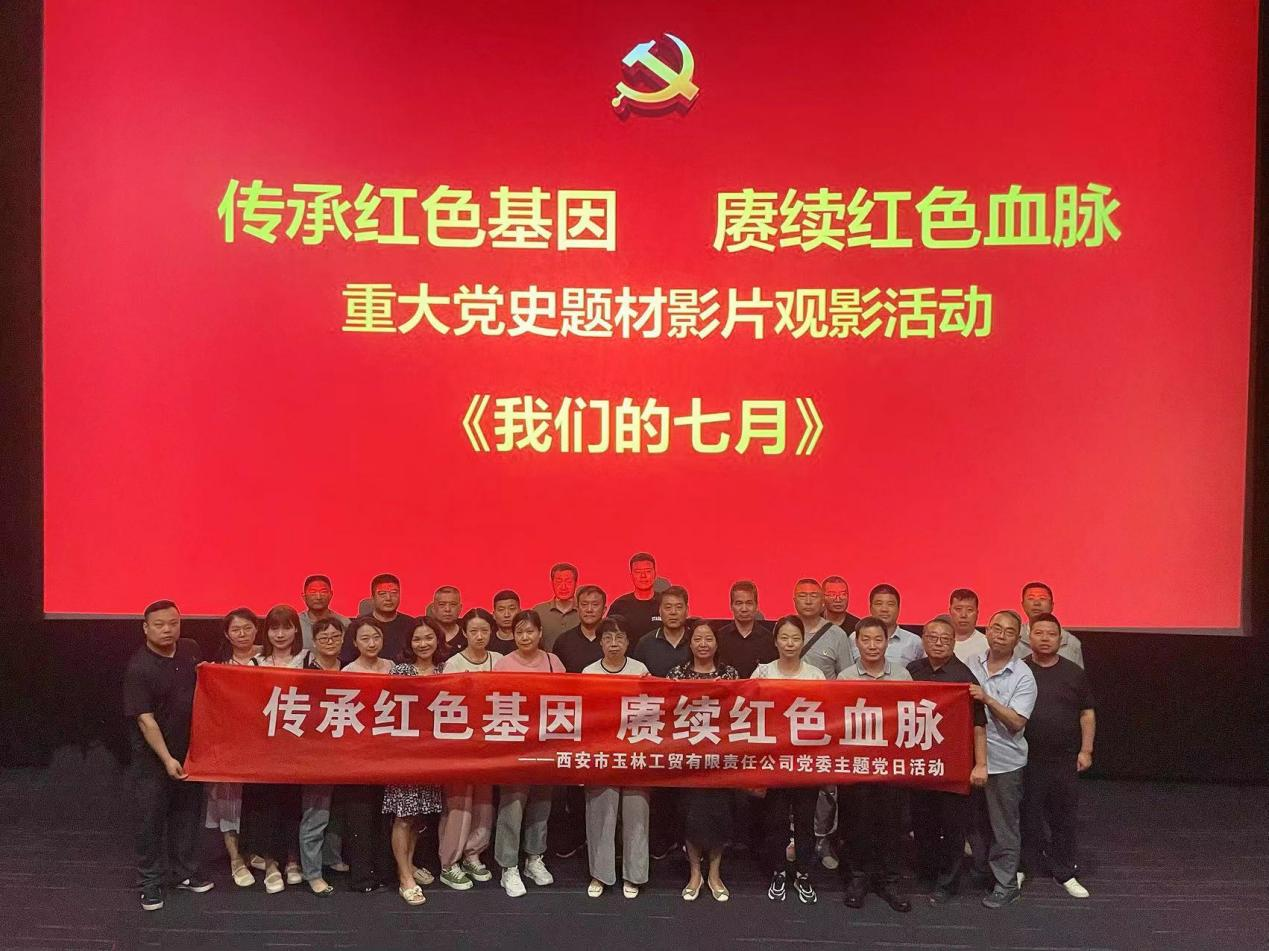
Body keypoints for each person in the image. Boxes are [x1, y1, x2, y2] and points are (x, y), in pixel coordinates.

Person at [124, 599, 213, 911]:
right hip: (154, 758)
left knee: (187, 814)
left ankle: (184, 873)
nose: (167, 630)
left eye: (173, 623)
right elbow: (145, 721)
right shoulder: (140, 668)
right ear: (146, 628)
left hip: (189, 751)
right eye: (159, 625)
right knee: (151, 820)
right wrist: (166, 759)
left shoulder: (190, 649)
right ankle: (149, 883)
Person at [907, 614, 990, 904]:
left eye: (945, 638)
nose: (938, 643)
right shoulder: (912, 671)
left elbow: (979, 725)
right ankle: (927, 871)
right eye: (932, 637)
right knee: (922, 822)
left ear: (954, 642)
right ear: (923, 640)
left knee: (953, 827)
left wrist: (980, 764)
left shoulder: (964, 677)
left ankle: (948, 882)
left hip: (954, 764)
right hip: (919, 762)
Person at [837, 617, 913, 912]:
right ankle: (857, 878)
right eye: (865, 640)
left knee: (891, 824)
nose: (872, 645)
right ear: (856, 643)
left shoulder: (902, 675)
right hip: (856, 765)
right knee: (856, 823)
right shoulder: (845, 678)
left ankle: (889, 881)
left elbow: (912, 718)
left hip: (891, 765)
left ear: (886, 642)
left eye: (878, 639)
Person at [1021, 613, 1096, 899]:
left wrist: (1086, 750)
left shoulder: (1073, 673)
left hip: (1063, 759)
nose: (1045, 638)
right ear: (1030, 636)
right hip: (1025, 758)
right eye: (1039, 633)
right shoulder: (1019, 670)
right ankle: (1023, 867)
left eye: (1051, 634)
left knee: (1063, 818)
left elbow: (1087, 713)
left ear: (1060, 639)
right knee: (1026, 816)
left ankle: (1064, 871)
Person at [967, 610, 1038, 908]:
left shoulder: (1023, 675)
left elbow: (1017, 722)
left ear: (1017, 639)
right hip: (970, 759)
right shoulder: (971, 663)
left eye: (1009, 631)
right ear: (987, 630)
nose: (1001, 635)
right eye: (996, 628)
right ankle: (984, 872)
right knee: (975, 824)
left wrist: (987, 698)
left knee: (1004, 826)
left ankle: (1007, 884)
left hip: (1005, 762)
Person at [752, 615, 824, 904]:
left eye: (796, 638)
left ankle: (803, 874)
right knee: (776, 822)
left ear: (803, 641)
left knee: (806, 822)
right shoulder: (763, 673)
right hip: (774, 762)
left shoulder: (815, 675)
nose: (790, 643)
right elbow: (750, 715)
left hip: (806, 762)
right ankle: (778, 871)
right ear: (775, 641)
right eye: (784, 638)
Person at [667, 619, 738, 902]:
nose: (703, 644)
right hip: (688, 759)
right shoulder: (677, 674)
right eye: (698, 639)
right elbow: (668, 714)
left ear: (717, 643)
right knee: (691, 816)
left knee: (719, 815)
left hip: (721, 759)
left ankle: (715, 874)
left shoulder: (730, 674)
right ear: (690, 643)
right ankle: (695, 873)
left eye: (709, 638)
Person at [493, 610, 563, 896]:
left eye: (530, 631)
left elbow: (565, 700)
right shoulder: (503, 664)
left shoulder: (553, 662)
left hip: (545, 744)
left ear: (540, 633)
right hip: (514, 746)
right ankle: (508, 866)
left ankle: (534, 858)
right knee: (512, 805)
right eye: (519, 632)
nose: (525, 637)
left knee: (541, 803)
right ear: (512, 635)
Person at [581, 617, 650, 898]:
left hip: (634, 753)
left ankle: (634, 875)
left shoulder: (640, 670)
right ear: (600, 642)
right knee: (601, 814)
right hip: (601, 752)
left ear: (628, 642)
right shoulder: (588, 672)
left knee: (636, 815)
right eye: (608, 638)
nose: (613, 643)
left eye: (619, 638)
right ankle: (600, 874)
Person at [383, 618, 447, 905]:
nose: (423, 644)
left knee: (419, 815)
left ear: (438, 640)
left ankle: (408, 865)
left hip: (433, 755)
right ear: (409, 643)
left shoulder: (446, 671)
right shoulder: (400, 672)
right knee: (403, 815)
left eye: (429, 638)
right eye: (417, 639)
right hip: (404, 754)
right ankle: (404, 877)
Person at [243, 605, 306, 891]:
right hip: (264, 749)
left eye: (286, 627)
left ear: (296, 630)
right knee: (266, 807)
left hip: (298, 748)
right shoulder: (255, 663)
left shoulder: (308, 661)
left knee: (294, 804)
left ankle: (293, 860)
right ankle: (270, 864)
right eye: (274, 628)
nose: (280, 634)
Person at [438, 609, 498, 889]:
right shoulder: (453, 664)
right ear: (464, 633)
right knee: (459, 803)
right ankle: (449, 862)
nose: (479, 636)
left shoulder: (499, 661)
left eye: (484, 631)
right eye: (473, 631)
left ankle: (473, 853)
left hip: (490, 743)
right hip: (460, 745)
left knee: (484, 802)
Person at [338, 618, 396, 891]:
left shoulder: (392, 667)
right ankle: (361, 876)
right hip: (358, 753)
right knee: (360, 814)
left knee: (385, 815)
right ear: (354, 642)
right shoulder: (348, 671)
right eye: (365, 638)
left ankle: (385, 871)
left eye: (376, 637)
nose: (371, 643)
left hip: (388, 752)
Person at [205, 608, 261, 888]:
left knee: (257, 801)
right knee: (228, 800)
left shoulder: (268, 660)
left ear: (256, 629)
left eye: (247, 628)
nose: (242, 634)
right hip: (229, 743)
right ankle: (236, 858)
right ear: (227, 634)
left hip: (261, 743)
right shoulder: (218, 665)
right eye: (236, 630)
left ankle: (254, 851)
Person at [298, 616, 346, 896]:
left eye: (335, 637)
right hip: (315, 752)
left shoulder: (350, 667)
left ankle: (331, 857)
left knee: (339, 810)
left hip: (347, 750)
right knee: (316, 813)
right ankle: (312, 872)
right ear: (314, 642)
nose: (330, 642)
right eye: (324, 638)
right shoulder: (303, 669)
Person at [790, 578, 856, 678]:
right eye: (802, 596)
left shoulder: (837, 635)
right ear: (794, 600)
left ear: (822, 600)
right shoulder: (783, 630)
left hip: (825, 688)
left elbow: (847, 677)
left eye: (814, 596)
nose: (808, 601)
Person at [343, 574, 415, 664]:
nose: (388, 598)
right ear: (372, 597)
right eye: (382, 594)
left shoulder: (412, 625)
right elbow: (347, 660)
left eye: (394, 593)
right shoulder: (357, 626)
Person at [716, 580, 775, 678]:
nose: (744, 609)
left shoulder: (769, 639)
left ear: (756, 606)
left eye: (749, 603)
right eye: (739, 603)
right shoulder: (719, 637)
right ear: (731, 606)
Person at [1017, 582, 1085, 667]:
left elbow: (1077, 674)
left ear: (1052, 605)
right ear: (1023, 604)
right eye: (1031, 598)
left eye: (1042, 598)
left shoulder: (1070, 642)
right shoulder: (1013, 639)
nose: (1036, 603)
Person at [632, 584, 692, 677]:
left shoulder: (696, 641)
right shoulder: (645, 643)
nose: (673, 612)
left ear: (687, 610)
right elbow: (637, 677)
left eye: (679, 607)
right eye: (668, 607)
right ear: (660, 611)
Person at [863, 584, 925, 666]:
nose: (884, 609)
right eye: (879, 604)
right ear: (870, 608)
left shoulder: (914, 641)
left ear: (898, 608)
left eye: (890, 604)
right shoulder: (854, 638)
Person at [608, 551, 663, 642]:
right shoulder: (620, 605)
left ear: (655, 574)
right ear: (631, 575)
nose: (643, 576)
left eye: (648, 571)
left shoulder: (665, 603)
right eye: (638, 572)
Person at [553, 584, 607, 673]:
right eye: (584, 604)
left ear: (604, 609)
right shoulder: (563, 641)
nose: (589, 609)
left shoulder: (612, 641)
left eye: (595, 605)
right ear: (577, 608)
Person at [532, 562, 579, 650]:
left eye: (569, 582)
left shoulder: (585, 612)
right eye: (558, 581)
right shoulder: (538, 611)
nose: (563, 587)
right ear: (552, 583)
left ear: (576, 583)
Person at [298, 574, 349, 651]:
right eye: (313, 592)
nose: (318, 597)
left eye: (323, 592)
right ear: (304, 596)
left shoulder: (344, 623)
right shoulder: (296, 623)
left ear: (331, 595)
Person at [949, 588, 988, 663]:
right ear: (950, 611)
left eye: (970, 610)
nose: (963, 615)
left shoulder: (987, 645)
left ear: (977, 613)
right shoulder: (937, 642)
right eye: (958, 609)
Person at [431, 585, 466, 655]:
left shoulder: (468, 634)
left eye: (453, 604)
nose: (447, 609)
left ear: (460, 608)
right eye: (442, 604)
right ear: (433, 608)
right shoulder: (424, 633)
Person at [489, 589, 521, 655]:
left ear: (520, 612)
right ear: (494, 615)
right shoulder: (487, 641)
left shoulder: (527, 640)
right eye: (501, 610)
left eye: (512, 609)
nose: (507, 615)